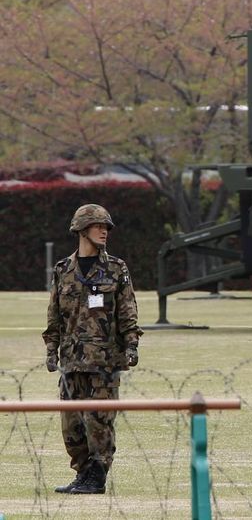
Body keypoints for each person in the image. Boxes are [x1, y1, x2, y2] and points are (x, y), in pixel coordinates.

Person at [42, 203, 143, 495]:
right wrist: (51, 350)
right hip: (71, 362)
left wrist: (132, 346)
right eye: (99, 226)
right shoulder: (63, 270)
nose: (104, 232)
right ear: (81, 230)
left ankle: (97, 477)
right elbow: (54, 316)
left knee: (99, 422)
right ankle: (83, 473)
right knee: (72, 427)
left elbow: (127, 312)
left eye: (107, 227)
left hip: (104, 362)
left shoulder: (116, 268)